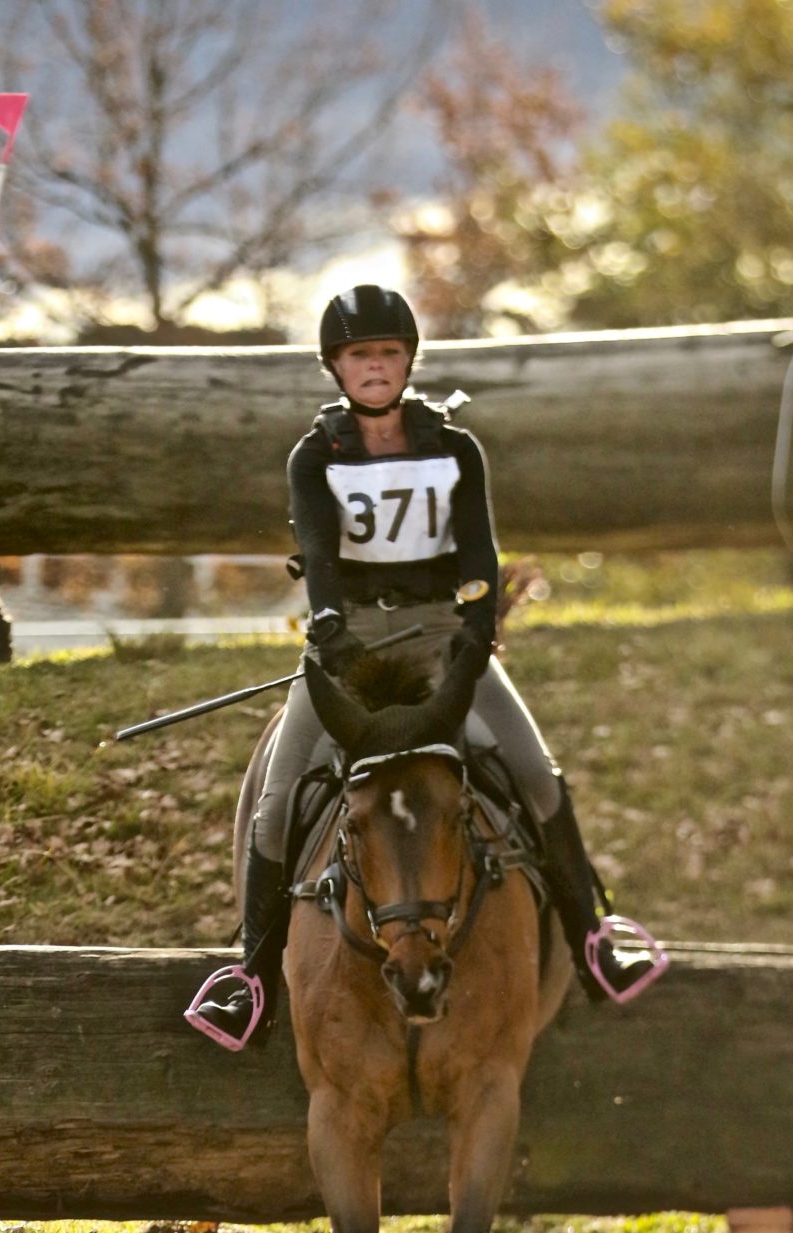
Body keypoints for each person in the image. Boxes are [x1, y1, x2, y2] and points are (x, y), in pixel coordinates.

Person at [186, 283, 664, 1049]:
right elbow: (317, 554)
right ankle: (249, 979)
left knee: (537, 774)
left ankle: (592, 940)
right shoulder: (314, 456)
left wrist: (476, 629)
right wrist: (330, 628)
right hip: (347, 641)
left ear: (407, 360)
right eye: (358, 355)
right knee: (274, 804)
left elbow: (478, 551)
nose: (374, 367)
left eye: (387, 352)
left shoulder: (454, 447)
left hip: (441, 633)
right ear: (335, 367)